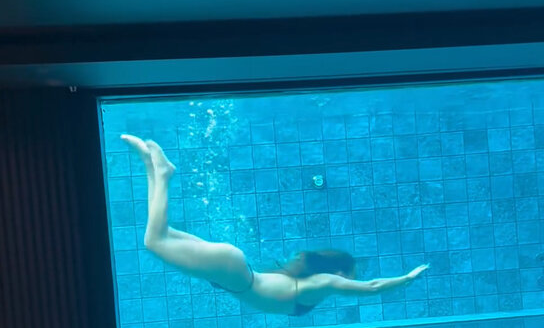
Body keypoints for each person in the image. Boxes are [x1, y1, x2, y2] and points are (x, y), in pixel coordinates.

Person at [122, 135, 429, 317]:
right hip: (233, 273)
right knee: (155, 240)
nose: (351, 282)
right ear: (339, 271)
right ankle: (161, 172)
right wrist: (405, 279)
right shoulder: (323, 283)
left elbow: (366, 285)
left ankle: (152, 166)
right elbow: (371, 287)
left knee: (161, 235)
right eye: (350, 275)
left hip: (232, 272)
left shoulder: (308, 283)